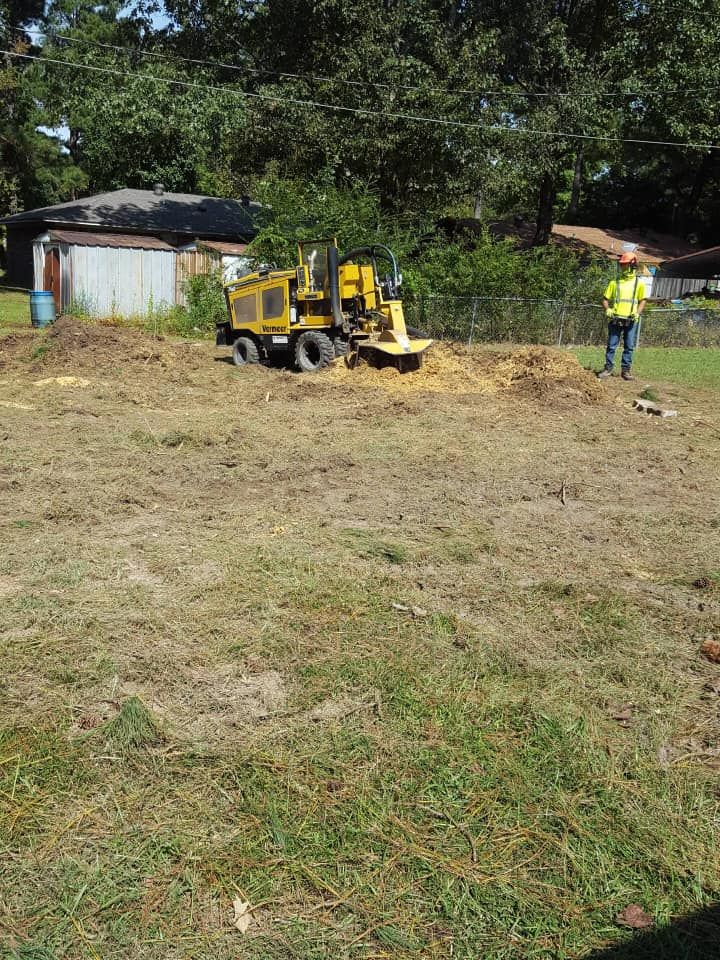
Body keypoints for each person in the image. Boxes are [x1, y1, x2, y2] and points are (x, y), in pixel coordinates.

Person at [598, 252, 647, 381]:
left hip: (631, 320)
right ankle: (608, 368)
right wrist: (608, 309)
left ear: (632, 265)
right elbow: (604, 299)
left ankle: (626, 371)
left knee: (629, 346)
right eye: (622, 265)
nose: (622, 267)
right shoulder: (615, 282)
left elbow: (643, 300)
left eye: (625, 265)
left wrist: (637, 313)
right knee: (611, 345)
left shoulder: (639, 283)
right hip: (615, 318)